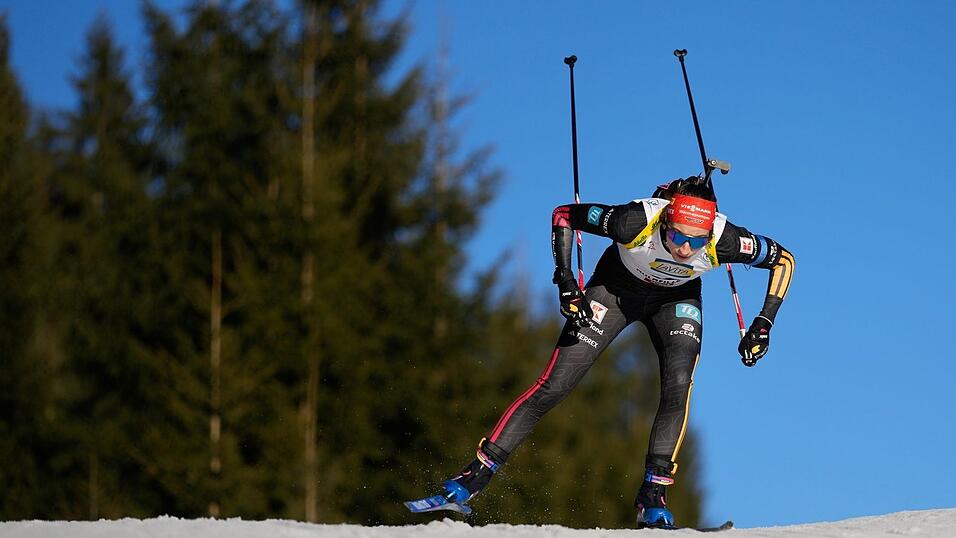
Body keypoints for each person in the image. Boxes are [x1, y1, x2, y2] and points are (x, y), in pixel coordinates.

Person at [427, 177, 794, 528]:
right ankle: (474, 475)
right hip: (616, 291)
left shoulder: (727, 240)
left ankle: (653, 496)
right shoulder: (632, 221)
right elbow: (563, 214)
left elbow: (784, 260)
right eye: (676, 235)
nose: (684, 248)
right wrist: (566, 279)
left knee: (679, 383)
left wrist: (764, 323)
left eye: (695, 243)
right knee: (556, 384)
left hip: (675, 300)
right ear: (666, 219)